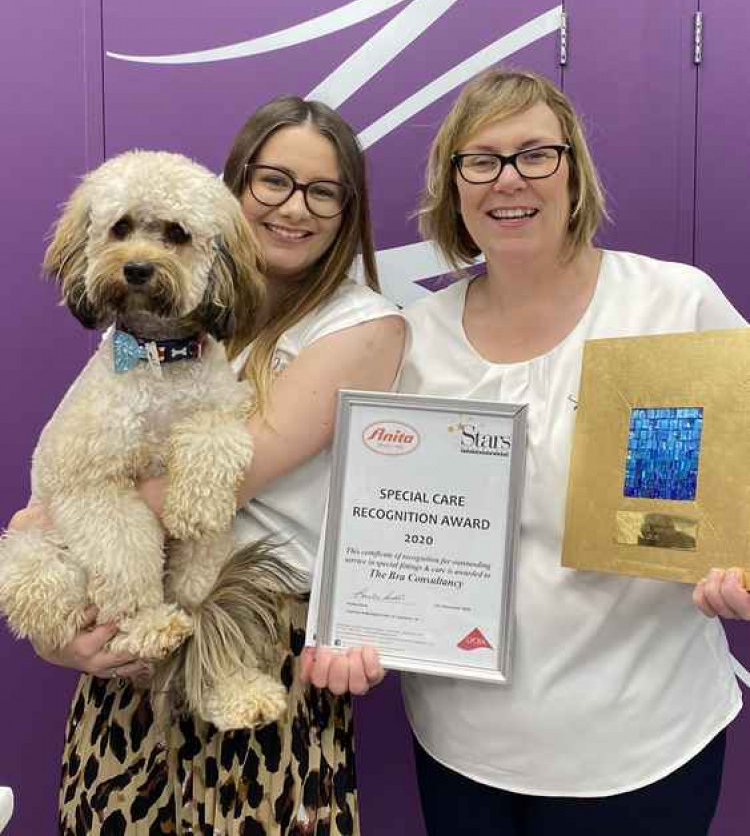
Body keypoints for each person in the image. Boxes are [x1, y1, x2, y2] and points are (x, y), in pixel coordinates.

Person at [10, 96, 404, 835]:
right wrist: (60, 620)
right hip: (127, 653)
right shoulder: (170, 321)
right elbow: (94, 459)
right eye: (273, 181)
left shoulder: (363, 328)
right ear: (235, 185)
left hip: (251, 635)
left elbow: (224, 475)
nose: (295, 208)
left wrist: (48, 514)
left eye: (323, 191)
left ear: (348, 211)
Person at [398, 68, 750, 835]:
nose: (509, 180)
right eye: (481, 159)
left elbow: (723, 495)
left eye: (535, 154)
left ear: (573, 169)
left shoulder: (667, 307)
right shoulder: (414, 340)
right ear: (453, 184)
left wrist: (740, 560)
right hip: (465, 747)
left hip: (646, 742)